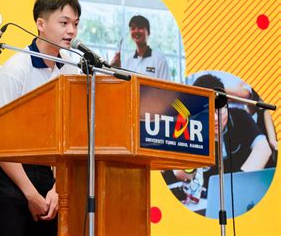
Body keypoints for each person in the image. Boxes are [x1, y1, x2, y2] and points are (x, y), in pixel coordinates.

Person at [0, 0, 81, 236]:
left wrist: (59, 188)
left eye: (76, 24)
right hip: (8, 172)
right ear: (41, 24)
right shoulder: (15, 69)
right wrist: (30, 193)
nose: (71, 31)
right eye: (64, 23)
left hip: (48, 172)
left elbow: (72, 135)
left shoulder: (72, 67)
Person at [170, 74, 272, 203]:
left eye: (220, 109)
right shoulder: (190, 128)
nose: (216, 118)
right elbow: (179, 173)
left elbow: (263, 149)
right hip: (206, 200)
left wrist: (236, 183)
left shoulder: (240, 116)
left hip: (243, 195)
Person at [111, 15, 170, 80]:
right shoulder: (127, 60)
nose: (136, 31)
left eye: (140, 27)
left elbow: (166, 88)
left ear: (149, 32)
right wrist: (116, 69)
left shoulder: (160, 60)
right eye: (133, 28)